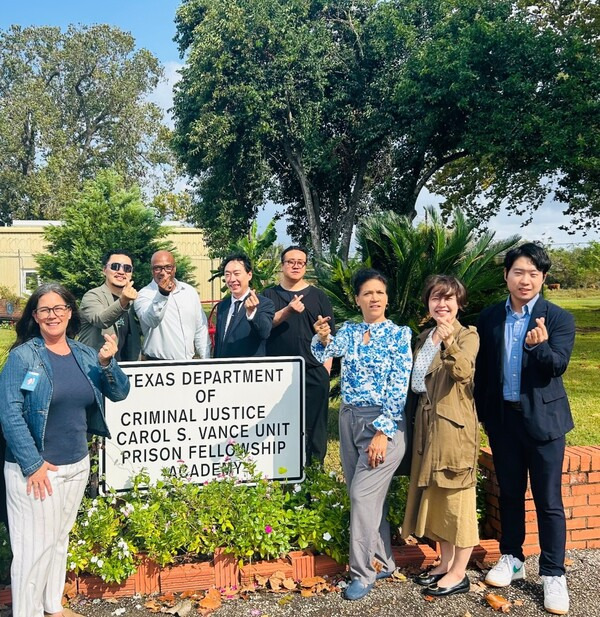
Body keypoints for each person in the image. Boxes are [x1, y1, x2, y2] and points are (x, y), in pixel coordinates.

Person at [0, 282, 130, 617]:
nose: (53, 315)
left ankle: (52, 607)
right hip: (37, 470)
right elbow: (9, 413)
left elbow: (120, 393)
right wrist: (33, 465)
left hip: (76, 465)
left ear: (70, 312)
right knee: (33, 550)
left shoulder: (85, 353)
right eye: (45, 309)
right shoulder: (23, 356)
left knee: (58, 540)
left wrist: (107, 363)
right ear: (35, 316)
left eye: (59, 308)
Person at [475, 243, 575, 616]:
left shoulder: (559, 318)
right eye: (519, 272)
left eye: (534, 273)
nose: (526, 279)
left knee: (549, 501)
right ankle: (512, 557)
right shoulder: (489, 318)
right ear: (506, 275)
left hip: (545, 424)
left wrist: (541, 346)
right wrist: (485, 416)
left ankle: (553, 573)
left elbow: (556, 367)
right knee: (511, 493)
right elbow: (484, 372)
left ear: (543, 278)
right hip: (504, 422)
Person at [311, 268, 412, 601]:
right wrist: (324, 336)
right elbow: (324, 354)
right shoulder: (352, 332)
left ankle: (362, 572)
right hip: (350, 419)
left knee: (360, 496)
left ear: (387, 298)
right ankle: (384, 560)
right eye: (367, 293)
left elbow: (399, 387)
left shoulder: (399, 335)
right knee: (369, 498)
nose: (374, 298)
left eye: (379, 293)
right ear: (357, 299)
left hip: (383, 424)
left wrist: (382, 432)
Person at [401, 275, 479, 597]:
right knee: (435, 498)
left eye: (449, 298)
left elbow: (463, 372)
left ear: (459, 303)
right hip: (426, 425)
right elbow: (415, 384)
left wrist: (449, 343)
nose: (442, 304)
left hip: (453, 429)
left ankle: (460, 573)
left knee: (456, 498)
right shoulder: (423, 337)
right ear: (429, 303)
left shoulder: (467, 335)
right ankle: (445, 563)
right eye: (436, 298)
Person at [264, 246, 335, 465]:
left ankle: (315, 475)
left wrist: (326, 370)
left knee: (315, 429)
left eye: (300, 262)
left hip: (313, 372)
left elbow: (329, 336)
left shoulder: (318, 297)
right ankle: (282, 472)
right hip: (278, 374)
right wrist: (287, 311)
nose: (295, 266)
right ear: (282, 264)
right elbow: (263, 327)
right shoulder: (269, 295)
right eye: (290, 261)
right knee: (281, 426)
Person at [134, 250, 210, 360]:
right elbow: (151, 320)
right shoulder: (144, 294)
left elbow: (200, 328)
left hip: (188, 364)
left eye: (168, 267)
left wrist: (205, 359)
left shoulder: (189, 291)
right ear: (152, 271)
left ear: (174, 269)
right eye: (157, 268)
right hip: (158, 364)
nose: (163, 272)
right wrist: (162, 294)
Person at [78, 249, 141, 361]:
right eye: (115, 266)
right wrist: (123, 301)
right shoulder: (92, 296)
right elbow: (101, 320)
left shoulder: (133, 300)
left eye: (127, 268)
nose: (121, 272)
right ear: (104, 270)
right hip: (95, 368)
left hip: (126, 369)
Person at [213, 253, 275, 358]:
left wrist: (252, 313)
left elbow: (264, 332)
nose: (232, 279)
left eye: (236, 274)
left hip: (249, 370)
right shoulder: (222, 306)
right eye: (227, 274)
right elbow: (219, 342)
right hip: (224, 371)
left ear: (249, 275)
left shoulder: (264, 304)